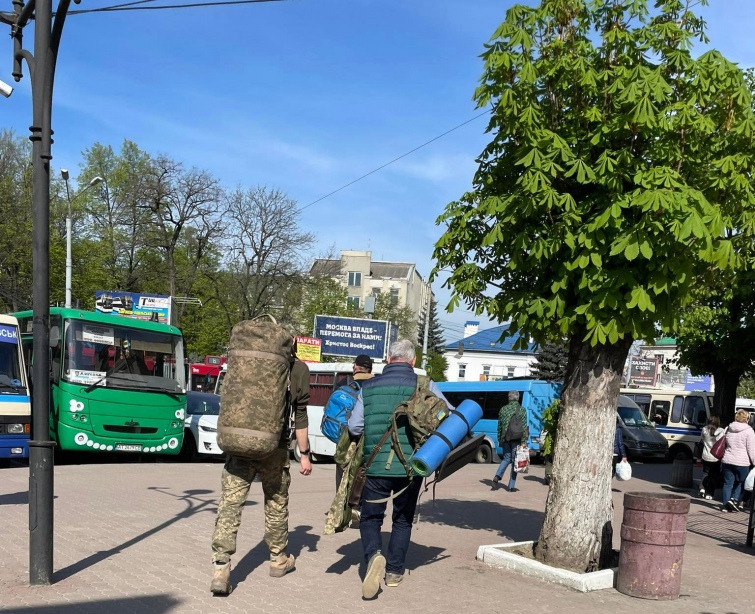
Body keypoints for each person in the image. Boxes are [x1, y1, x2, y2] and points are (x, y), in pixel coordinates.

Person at [347, 339, 452, 599]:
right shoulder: (426, 385)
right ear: (413, 361)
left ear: (388, 358)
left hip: (374, 466)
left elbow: (354, 427)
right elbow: (447, 416)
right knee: (402, 520)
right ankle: (394, 572)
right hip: (412, 467)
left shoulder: (368, 387)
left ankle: (374, 555)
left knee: (371, 517)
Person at [209, 336, 312, 595]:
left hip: (239, 446)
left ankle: (221, 569)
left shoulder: (245, 359)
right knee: (276, 503)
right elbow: (299, 416)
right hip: (274, 448)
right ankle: (278, 560)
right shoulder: (298, 369)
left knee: (230, 504)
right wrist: (305, 454)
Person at [335, 354, 375, 490]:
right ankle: (360, 507)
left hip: (346, 439)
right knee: (363, 477)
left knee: (342, 478)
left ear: (356, 367)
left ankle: (341, 507)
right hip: (369, 439)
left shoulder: (344, 382)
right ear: (370, 368)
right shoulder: (376, 384)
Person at [492, 391, 528, 492]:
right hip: (517, 439)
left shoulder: (503, 409)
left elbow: (499, 426)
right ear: (518, 398)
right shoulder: (522, 410)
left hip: (506, 438)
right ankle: (511, 486)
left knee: (506, 458)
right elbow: (524, 427)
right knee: (515, 461)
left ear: (509, 398)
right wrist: (523, 441)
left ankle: (497, 476)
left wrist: (500, 439)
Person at [720, 409, 755, 513]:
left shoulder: (728, 428)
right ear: (747, 419)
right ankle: (734, 500)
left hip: (727, 460)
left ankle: (725, 506)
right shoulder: (749, 431)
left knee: (727, 483)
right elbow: (751, 449)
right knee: (742, 482)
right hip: (742, 462)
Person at [697, 416, 724, 500]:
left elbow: (701, 439)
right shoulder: (721, 431)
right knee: (713, 476)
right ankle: (709, 493)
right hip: (716, 457)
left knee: (705, 473)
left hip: (705, 456)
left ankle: (702, 489)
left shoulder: (704, 430)